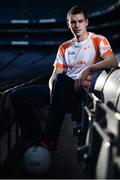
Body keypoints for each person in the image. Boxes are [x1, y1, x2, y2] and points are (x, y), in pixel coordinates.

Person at [9, 5, 118, 151]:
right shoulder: (64, 47)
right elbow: (54, 76)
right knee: (18, 95)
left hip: (80, 93)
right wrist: (52, 90)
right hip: (61, 90)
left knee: (62, 80)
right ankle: (34, 138)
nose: (77, 25)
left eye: (80, 21)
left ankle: (50, 138)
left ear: (86, 22)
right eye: (73, 22)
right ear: (68, 24)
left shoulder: (98, 40)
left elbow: (113, 61)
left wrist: (88, 68)